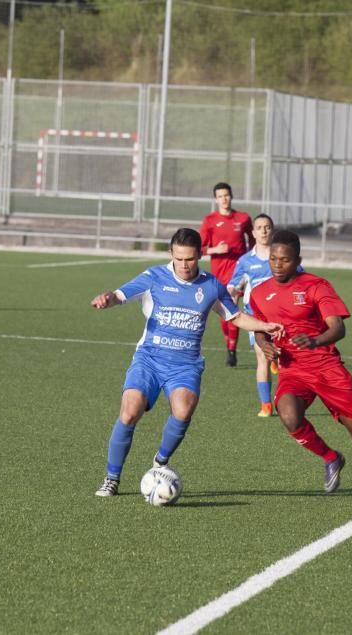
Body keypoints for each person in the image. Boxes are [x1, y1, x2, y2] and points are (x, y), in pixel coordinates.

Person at [90, 227, 282, 497]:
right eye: (179, 259)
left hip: (185, 365)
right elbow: (119, 296)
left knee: (183, 410)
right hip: (149, 359)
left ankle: (160, 463)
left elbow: (235, 317)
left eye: (190, 259)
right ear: (171, 254)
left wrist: (265, 326)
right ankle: (112, 478)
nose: (184, 265)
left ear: (200, 255)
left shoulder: (211, 285)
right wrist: (106, 298)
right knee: (129, 410)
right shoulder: (154, 276)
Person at [250, 230, 352, 508]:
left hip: (326, 367)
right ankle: (330, 457)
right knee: (289, 416)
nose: (277, 264)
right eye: (273, 258)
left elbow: (338, 327)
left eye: (284, 260)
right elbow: (260, 329)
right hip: (293, 370)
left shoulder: (316, 286)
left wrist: (315, 340)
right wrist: (264, 344)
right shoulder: (260, 293)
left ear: (297, 259)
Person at [227, 213, 284, 417]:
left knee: (285, 359)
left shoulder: (281, 256)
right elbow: (234, 284)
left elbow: (299, 276)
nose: (264, 231)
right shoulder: (245, 261)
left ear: (272, 230)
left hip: (281, 316)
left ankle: (284, 392)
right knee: (262, 357)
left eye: (267, 227)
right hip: (255, 316)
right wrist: (232, 294)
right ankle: (266, 405)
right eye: (259, 227)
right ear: (253, 232)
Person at [199, 181, 253, 367]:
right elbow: (200, 248)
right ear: (216, 199)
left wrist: (250, 262)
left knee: (234, 309)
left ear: (231, 196)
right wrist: (216, 249)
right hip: (218, 272)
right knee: (224, 312)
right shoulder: (210, 221)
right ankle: (229, 345)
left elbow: (253, 241)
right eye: (220, 196)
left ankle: (232, 350)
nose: (224, 199)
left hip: (237, 273)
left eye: (227, 195)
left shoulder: (243, 218)